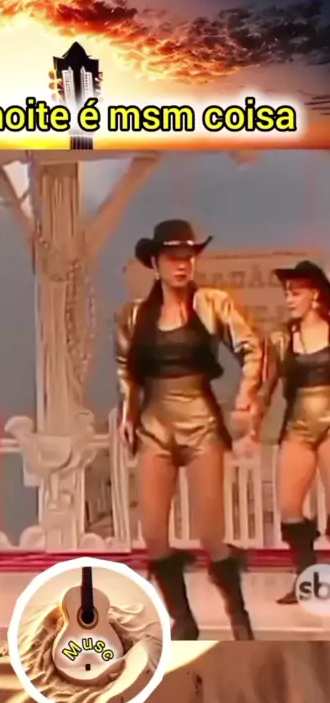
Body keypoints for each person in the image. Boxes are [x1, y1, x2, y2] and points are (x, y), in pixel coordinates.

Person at [114, 220, 264, 640]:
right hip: (155, 423)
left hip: (200, 421)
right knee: (153, 533)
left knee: (211, 533)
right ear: (156, 263)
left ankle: (238, 615)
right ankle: (182, 619)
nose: (183, 265)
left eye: (189, 257)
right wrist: (129, 413)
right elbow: (126, 369)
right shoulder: (133, 316)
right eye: (173, 258)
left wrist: (245, 397)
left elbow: (253, 349)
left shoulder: (213, 304)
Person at [256, 259, 330, 604]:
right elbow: (267, 386)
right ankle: (307, 577)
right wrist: (251, 422)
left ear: (314, 294)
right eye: (286, 293)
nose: (288, 299)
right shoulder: (281, 337)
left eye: (295, 293)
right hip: (298, 425)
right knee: (288, 506)